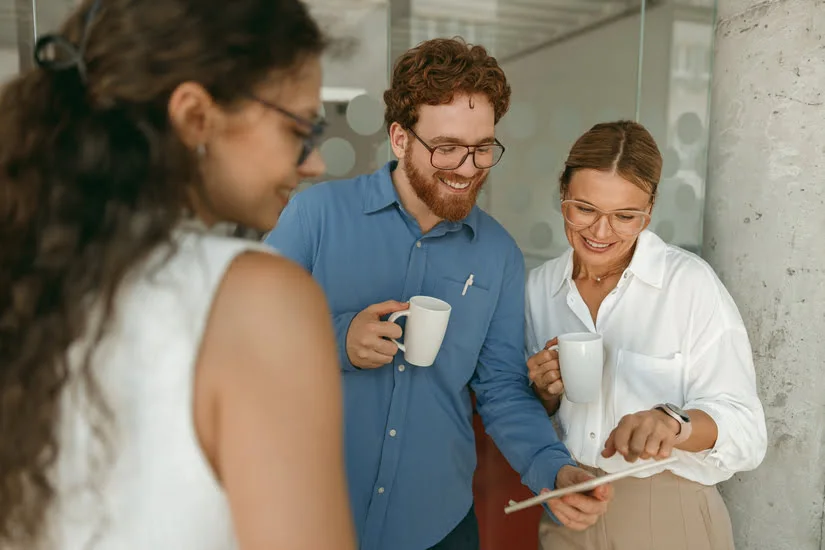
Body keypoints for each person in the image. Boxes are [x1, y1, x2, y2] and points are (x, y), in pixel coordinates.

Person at [0, 1, 356, 549]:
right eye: (299, 129)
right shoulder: (259, 300)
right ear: (195, 116)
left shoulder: (27, 279)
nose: (314, 163)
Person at [266, 38, 612, 550]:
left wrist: (554, 470)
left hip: (439, 528)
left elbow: (501, 388)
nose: (468, 168)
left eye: (482, 148)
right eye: (446, 148)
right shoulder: (314, 216)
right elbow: (242, 337)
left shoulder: (498, 254)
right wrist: (338, 340)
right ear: (399, 138)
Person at [525, 120, 767, 550]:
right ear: (562, 193)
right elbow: (529, 414)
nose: (601, 232)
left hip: (669, 516)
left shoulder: (689, 284)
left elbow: (748, 431)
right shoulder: (539, 288)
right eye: (584, 209)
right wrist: (543, 393)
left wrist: (673, 424)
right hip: (569, 509)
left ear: (649, 210)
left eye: (624, 216)